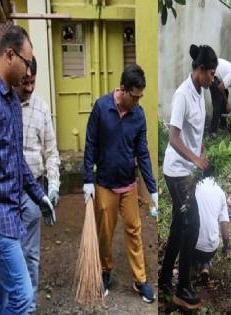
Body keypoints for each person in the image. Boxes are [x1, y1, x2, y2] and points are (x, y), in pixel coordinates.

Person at [0, 25, 56, 314]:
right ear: (9, 55)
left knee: (2, 300)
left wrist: (39, 195)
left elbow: (17, 161)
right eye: (27, 64)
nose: (29, 73)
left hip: (12, 216)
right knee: (24, 298)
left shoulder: (13, 102)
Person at [83, 64, 158, 303]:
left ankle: (140, 279)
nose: (137, 102)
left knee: (134, 231)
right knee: (105, 232)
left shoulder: (139, 115)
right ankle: (105, 272)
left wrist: (153, 189)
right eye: (134, 97)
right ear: (123, 90)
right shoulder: (101, 108)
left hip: (128, 185)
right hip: (104, 184)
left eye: (140, 97)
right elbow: (90, 145)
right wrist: (87, 180)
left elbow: (143, 153)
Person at [160, 44, 217, 310]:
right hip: (177, 171)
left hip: (190, 170)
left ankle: (164, 279)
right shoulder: (183, 94)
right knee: (191, 225)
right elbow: (173, 136)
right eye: (211, 74)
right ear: (200, 70)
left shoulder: (200, 92)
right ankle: (182, 287)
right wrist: (194, 158)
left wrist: (201, 152)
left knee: (178, 225)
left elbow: (196, 133)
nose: (212, 79)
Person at [15, 56, 61, 314]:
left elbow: (51, 152)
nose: (29, 87)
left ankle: (29, 307)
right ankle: (14, 303)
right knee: (11, 250)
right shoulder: (5, 105)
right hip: (7, 191)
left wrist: (53, 186)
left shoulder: (42, 109)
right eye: (24, 82)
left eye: (33, 81)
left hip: (33, 191)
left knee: (30, 252)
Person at [192, 169, 229, 282]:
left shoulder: (194, 187)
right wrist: (225, 247)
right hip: (210, 250)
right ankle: (206, 265)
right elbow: (225, 230)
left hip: (192, 246)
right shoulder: (220, 192)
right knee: (208, 248)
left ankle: (192, 267)